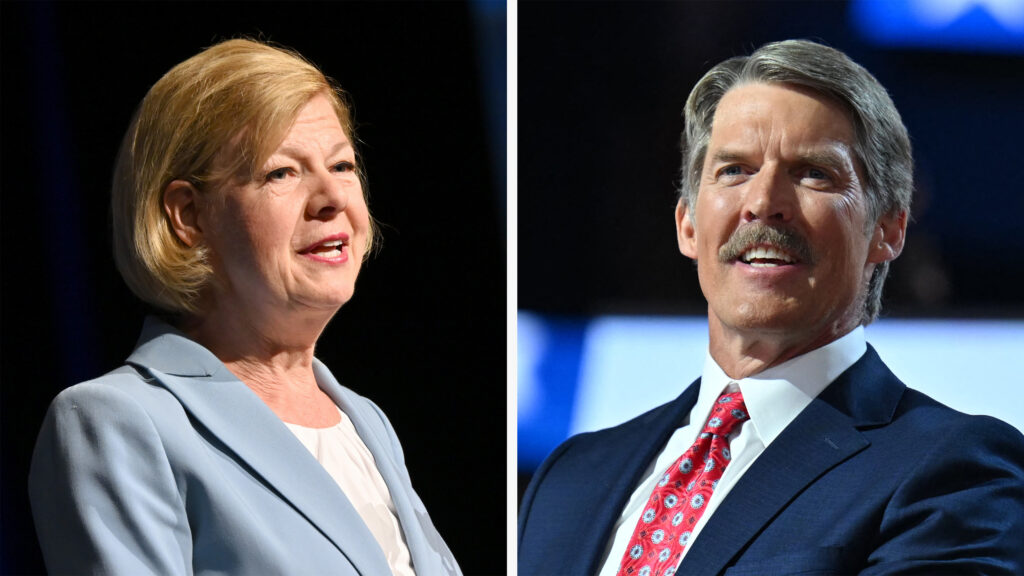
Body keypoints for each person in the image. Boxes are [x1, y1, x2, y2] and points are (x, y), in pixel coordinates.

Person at [518, 39, 1024, 575]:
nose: (763, 202)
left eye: (813, 173)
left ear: (887, 229)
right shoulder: (568, 480)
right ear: (687, 224)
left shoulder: (955, 470)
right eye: (734, 170)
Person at [29, 38, 461, 575]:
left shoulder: (364, 420)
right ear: (188, 216)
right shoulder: (119, 421)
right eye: (282, 172)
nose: (333, 197)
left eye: (343, 165)